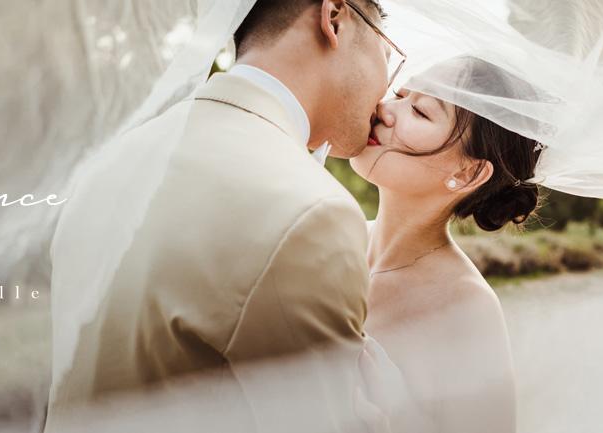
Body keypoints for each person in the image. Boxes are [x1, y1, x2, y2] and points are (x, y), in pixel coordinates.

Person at [45, 0, 397, 431]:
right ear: (335, 17)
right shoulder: (313, 212)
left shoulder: (113, 161)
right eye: (387, 54)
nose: (387, 93)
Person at [352, 58, 542, 433]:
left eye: (420, 112)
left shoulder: (467, 308)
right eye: (400, 95)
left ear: (467, 172)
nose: (385, 110)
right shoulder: (336, 237)